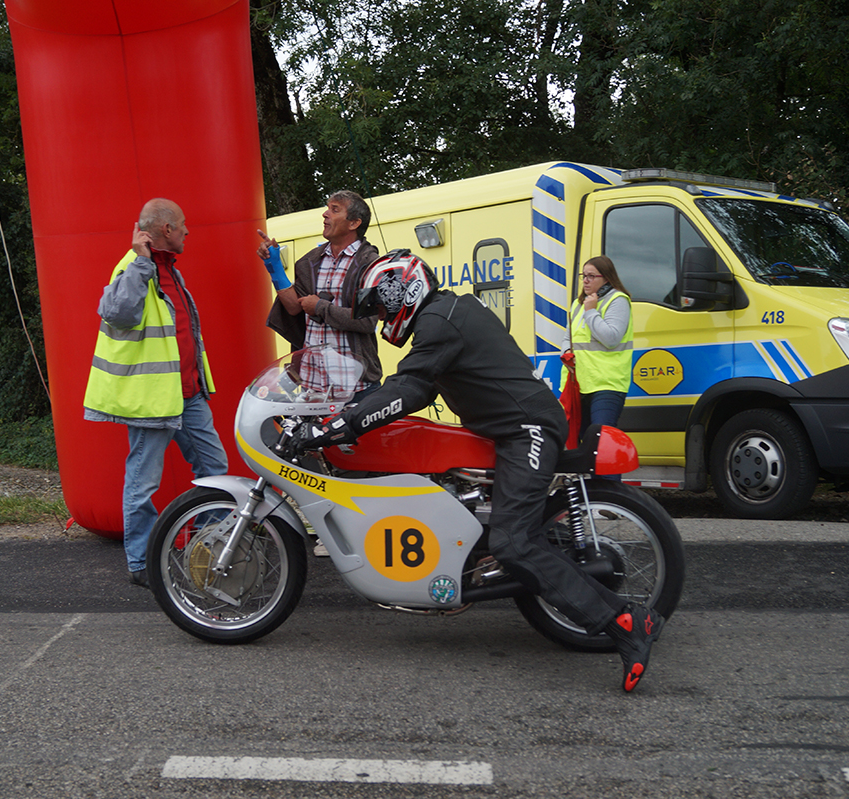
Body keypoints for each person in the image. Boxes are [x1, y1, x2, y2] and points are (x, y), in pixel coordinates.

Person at [292, 250, 664, 692]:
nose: (378, 316)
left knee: (513, 542)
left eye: (379, 305)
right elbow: (412, 383)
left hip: (527, 431)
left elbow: (407, 388)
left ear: (401, 292)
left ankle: (624, 621)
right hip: (512, 430)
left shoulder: (439, 321)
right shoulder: (447, 313)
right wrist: (347, 409)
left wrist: (335, 427)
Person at [83, 198, 227, 588]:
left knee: (215, 472)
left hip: (188, 395)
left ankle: (206, 551)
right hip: (154, 400)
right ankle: (140, 564)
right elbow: (118, 311)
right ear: (166, 230)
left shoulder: (169, 271)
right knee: (142, 483)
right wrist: (142, 262)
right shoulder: (135, 267)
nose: (187, 231)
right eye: (182, 225)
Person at [258, 190, 382, 403]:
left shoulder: (370, 263)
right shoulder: (310, 261)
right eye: (327, 208)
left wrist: (321, 308)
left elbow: (367, 321)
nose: (325, 214)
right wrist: (274, 265)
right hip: (312, 387)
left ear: (354, 223)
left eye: (334, 210)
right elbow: (294, 307)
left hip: (356, 389)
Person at [562, 256, 633, 439]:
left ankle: (610, 469)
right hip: (578, 383)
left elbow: (611, 338)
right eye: (583, 275)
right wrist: (566, 353)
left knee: (602, 440)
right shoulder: (579, 304)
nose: (585, 281)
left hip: (606, 383)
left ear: (607, 278)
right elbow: (567, 338)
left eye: (591, 276)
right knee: (581, 443)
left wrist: (591, 312)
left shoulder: (618, 300)